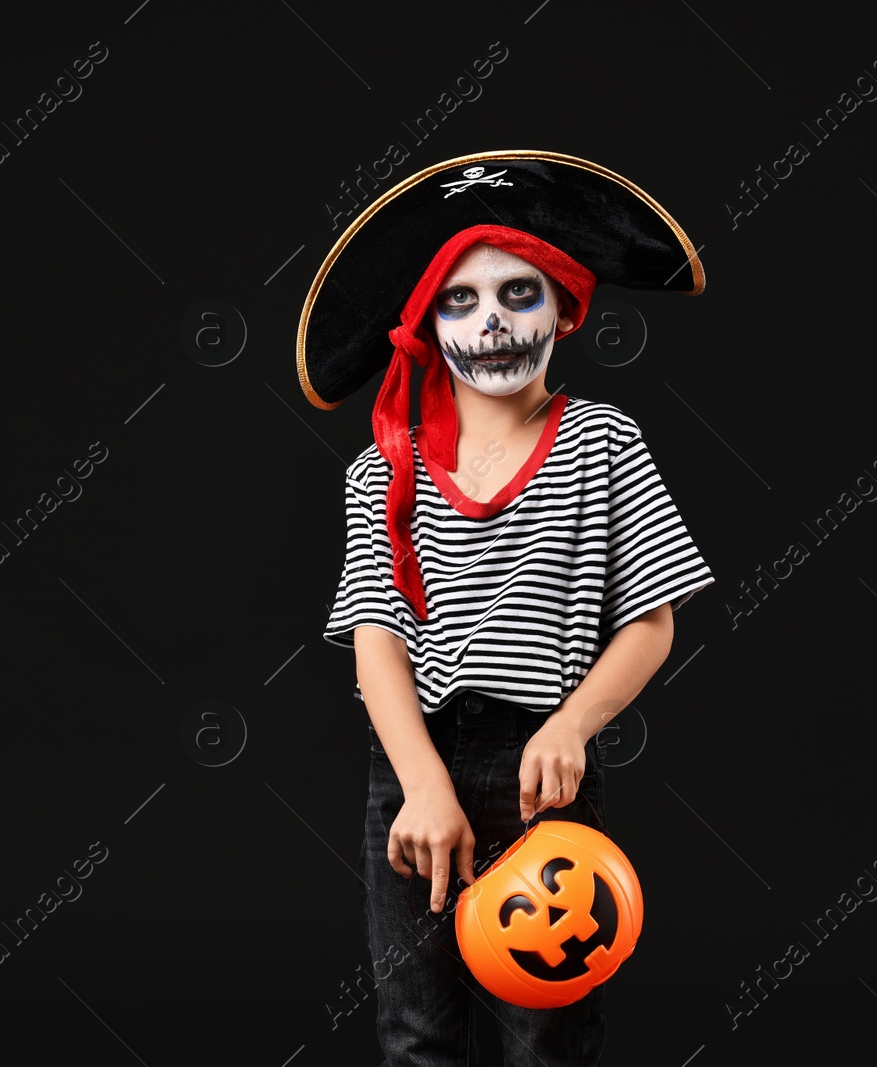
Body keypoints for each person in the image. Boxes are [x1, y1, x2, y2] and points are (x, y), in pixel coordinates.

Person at [297, 151, 715, 1066]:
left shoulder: (603, 440)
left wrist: (572, 726)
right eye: (461, 300)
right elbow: (377, 646)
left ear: (564, 309)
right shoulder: (381, 471)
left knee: (549, 1034)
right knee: (416, 1031)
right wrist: (422, 786)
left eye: (517, 294)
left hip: (542, 772)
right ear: (426, 324)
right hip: (415, 768)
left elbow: (652, 620)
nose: (491, 322)